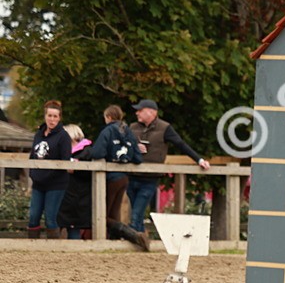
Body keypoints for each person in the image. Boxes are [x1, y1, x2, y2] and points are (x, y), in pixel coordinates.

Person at [127, 99, 210, 234]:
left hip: (150, 178)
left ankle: (132, 238)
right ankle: (140, 241)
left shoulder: (164, 128)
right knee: (138, 213)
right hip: (132, 176)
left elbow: (181, 145)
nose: (137, 113)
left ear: (151, 112)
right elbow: (123, 146)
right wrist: (134, 147)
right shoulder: (132, 127)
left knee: (136, 213)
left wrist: (199, 159)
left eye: (140, 110)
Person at [92, 105, 148, 249]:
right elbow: (137, 158)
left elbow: (97, 152)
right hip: (124, 179)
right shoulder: (128, 131)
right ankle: (115, 243)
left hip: (111, 178)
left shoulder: (108, 131)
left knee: (102, 215)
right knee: (113, 212)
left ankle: (135, 236)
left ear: (108, 117)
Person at [27, 100, 72, 238]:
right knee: (33, 216)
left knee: (50, 218)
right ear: (45, 116)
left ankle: (53, 250)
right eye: (49, 116)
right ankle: (31, 246)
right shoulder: (38, 134)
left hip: (55, 183)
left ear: (59, 118)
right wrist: (33, 174)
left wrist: (49, 174)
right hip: (38, 182)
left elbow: (65, 161)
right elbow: (32, 156)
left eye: (55, 116)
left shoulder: (63, 136)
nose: (52, 119)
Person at [58, 124, 94, 240]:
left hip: (79, 195)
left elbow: (87, 173)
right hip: (65, 194)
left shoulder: (87, 151)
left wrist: (75, 168)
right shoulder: (62, 151)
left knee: (74, 227)